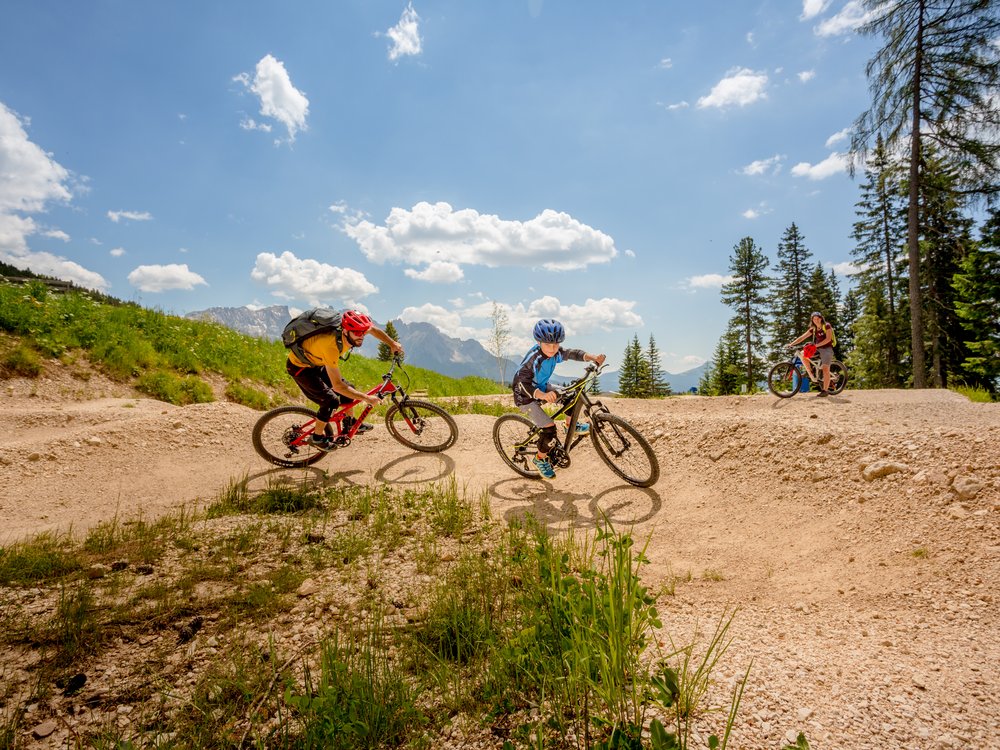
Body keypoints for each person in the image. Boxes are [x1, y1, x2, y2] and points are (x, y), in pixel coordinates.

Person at [286, 309, 404, 450]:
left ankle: (350, 423)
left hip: (316, 362)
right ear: (346, 331)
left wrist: (392, 343)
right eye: (357, 333)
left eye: (362, 332)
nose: (361, 336)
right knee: (331, 401)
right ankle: (316, 438)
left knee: (350, 388)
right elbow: (338, 386)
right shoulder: (331, 346)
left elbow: (373, 330)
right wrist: (367, 398)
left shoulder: (354, 330)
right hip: (301, 369)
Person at [511, 318, 606, 479]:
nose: (553, 348)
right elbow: (522, 383)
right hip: (525, 396)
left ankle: (570, 425)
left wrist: (593, 357)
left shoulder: (556, 352)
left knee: (570, 396)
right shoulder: (533, 359)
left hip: (541, 386)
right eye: (548, 344)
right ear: (539, 342)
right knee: (549, 429)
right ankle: (539, 459)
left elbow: (572, 353)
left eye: (556, 344)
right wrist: (542, 395)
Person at [788, 311, 836, 397]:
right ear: (812, 320)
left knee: (825, 368)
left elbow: (828, 339)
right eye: (814, 319)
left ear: (821, 319)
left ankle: (825, 390)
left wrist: (816, 345)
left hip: (827, 349)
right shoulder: (813, 329)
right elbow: (802, 337)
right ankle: (811, 372)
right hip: (817, 348)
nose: (816, 320)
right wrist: (791, 344)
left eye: (817, 318)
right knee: (803, 354)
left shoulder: (827, 326)